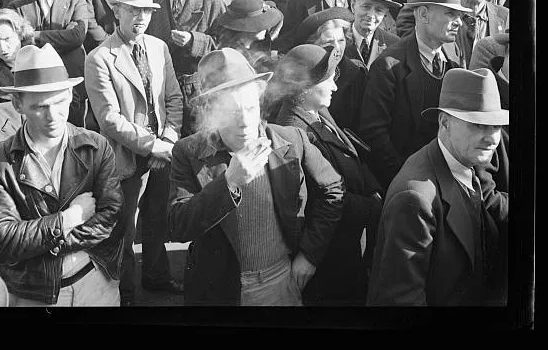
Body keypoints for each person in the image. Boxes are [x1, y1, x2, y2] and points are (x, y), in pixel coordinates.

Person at [167, 47, 344, 305]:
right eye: (231, 112)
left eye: (250, 108)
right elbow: (177, 226)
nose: (245, 122)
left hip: (280, 281)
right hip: (220, 290)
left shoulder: (290, 140)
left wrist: (309, 255)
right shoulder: (188, 152)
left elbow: (334, 190)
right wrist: (229, 183)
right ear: (210, 113)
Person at [0, 43, 124, 307]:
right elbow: (1, 241)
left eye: (60, 102)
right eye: (40, 106)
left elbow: (112, 217)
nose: (53, 116)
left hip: (96, 285)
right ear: (17, 104)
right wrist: (67, 219)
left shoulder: (95, 146)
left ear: (71, 94)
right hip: (31, 296)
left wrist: (42, 240)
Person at [367, 68, 508, 306]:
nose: (492, 138)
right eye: (478, 125)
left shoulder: (464, 159)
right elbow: (401, 302)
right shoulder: (415, 199)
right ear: (445, 123)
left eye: (496, 126)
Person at [85, 0, 184, 306]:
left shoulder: (159, 47)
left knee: (157, 217)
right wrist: (154, 146)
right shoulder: (99, 58)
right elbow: (110, 119)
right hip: (125, 156)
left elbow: (174, 99)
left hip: (162, 150)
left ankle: (156, 277)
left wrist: (168, 140)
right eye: (133, 11)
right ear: (117, 11)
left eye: (146, 11)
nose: (141, 17)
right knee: (125, 228)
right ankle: (124, 292)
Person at [272, 44, 383, 305]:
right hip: (328, 256)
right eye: (330, 80)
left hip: (344, 244)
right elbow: (317, 201)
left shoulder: (317, 110)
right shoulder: (292, 130)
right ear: (306, 88)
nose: (334, 87)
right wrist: (374, 208)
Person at [359, 0, 470, 191]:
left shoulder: (454, 54)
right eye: (450, 13)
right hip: (404, 182)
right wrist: (407, 179)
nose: (458, 22)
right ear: (423, 14)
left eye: (460, 15)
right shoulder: (389, 65)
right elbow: (374, 135)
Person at [147, 0, 226, 136]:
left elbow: (225, 48)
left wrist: (194, 41)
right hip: (162, 90)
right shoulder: (153, 0)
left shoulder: (211, 2)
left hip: (200, 92)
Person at [8, 0, 89, 127]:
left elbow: (76, 36)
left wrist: (34, 36)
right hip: (34, 89)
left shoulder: (75, 2)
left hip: (71, 87)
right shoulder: (16, 7)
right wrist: (61, 36)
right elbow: (15, 43)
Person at [0, 8, 35, 152]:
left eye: (7, 39)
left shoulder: (42, 60)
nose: (2, 48)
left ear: (20, 35)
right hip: (8, 145)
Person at [209, 0, 283, 73]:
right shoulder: (230, 54)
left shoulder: (262, 41)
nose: (266, 28)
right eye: (261, 24)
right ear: (247, 29)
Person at [345, 0, 401, 69]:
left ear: (385, 13)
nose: (371, 15)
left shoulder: (394, 45)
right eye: (366, 6)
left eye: (379, 10)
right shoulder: (337, 39)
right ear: (353, 5)